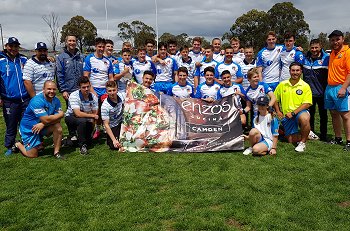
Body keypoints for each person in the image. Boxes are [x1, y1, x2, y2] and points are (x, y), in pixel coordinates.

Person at [15, 80, 64, 159]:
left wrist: (43, 124)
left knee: (58, 127)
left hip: (42, 126)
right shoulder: (36, 101)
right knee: (33, 155)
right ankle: (18, 144)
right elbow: (47, 119)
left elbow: (58, 119)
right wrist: (60, 114)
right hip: (29, 129)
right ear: (43, 89)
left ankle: (56, 152)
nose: (52, 91)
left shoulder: (56, 100)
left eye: (54, 89)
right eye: (49, 89)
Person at [0, 37, 30, 156]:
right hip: (9, 99)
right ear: (6, 46)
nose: (13, 49)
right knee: (11, 124)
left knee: (25, 122)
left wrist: (49, 57)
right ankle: (10, 145)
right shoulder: (1, 60)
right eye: (11, 46)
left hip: (24, 98)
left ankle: (25, 142)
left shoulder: (23, 59)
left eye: (16, 46)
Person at [275, 62, 312, 152]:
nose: (295, 72)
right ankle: (307, 133)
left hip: (299, 112)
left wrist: (293, 113)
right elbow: (275, 99)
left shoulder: (305, 86)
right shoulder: (282, 84)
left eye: (297, 70)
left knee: (305, 118)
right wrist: (278, 111)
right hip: (287, 115)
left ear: (301, 72)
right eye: (293, 70)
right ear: (289, 71)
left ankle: (303, 142)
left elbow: (307, 103)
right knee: (291, 140)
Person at [324, 30, 350, 150]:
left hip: (341, 87)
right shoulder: (332, 53)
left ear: (342, 39)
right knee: (334, 114)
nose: (335, 42)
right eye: (332, 40)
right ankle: (338, 137)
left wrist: (344, 88)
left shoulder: (347, 52)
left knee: (345, 115)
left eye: (337, 39)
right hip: (330, 87)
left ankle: (349, 141)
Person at [83, 37, 114, 139]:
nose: (101, 48)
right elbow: (86, 76)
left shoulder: (107, 61)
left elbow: (110, 77)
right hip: (93, 89)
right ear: (95, 46)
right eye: (99, 46)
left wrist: (111, 89)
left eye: (103, 47)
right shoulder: (89, 58)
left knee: (104, 110)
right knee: (94, 112)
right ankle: (95, 129)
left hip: (104, 90)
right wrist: (91, 90)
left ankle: (105, 128)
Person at [303, 39, 329, 141]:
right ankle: (310, 132)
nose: (314, 50)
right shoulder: (305, 58)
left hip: (322, 92)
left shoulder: (327, 58)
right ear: (309, 47)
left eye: (316, 47)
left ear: (320, 47)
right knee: (310, 114)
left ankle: (323, 135)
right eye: (312, 47)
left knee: (323, 115)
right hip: (309, 93)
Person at [64, 77, 98, 155]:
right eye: (83, 87)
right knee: (82, 120)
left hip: (86, 118)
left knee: (88, 141)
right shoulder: (74, 95)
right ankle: (82, 146)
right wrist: (91, 115)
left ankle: (70, 139)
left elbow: (95, 114)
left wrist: (92, 125)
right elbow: (77, 114)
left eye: (88, 87)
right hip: (71, 117)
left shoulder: (94, 97)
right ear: (79, 87)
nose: (86, 89)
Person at [56, 35, 84, 106]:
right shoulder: (61, 57)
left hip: (82, 89)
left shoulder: (81, 57)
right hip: (69, 91)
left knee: (83, 111)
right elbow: (59, 75)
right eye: (70, 41)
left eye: (74, 41)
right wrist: (63, 90)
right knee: (72, 113)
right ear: (66, 42)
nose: (72, 42)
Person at [101, 81, 124, 150]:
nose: (112, 93)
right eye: (110, 91)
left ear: (117, 89)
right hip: (113, 125)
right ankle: (111, 138)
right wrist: (114, 140)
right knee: (114, 146)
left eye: (114, 90)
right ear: (106, 92)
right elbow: (106, 124)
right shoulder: (105, 106)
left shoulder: (122, 96)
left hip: (123, 121)